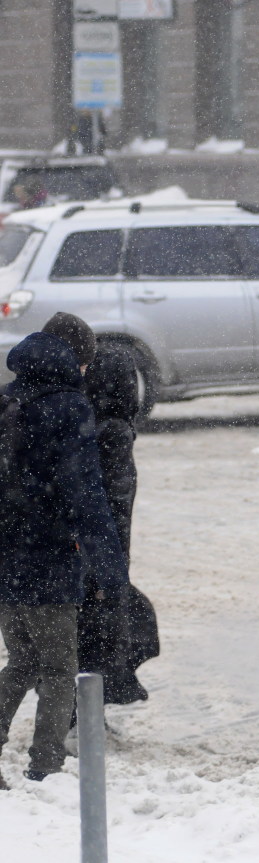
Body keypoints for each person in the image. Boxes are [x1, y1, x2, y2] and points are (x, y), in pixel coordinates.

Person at [0, 313, 128, 789]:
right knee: (59, 668)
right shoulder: (68, 407)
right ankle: (47, 765)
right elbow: (86, 497)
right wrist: (110, 571)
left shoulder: (9, 396)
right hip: (48, 558)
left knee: (22, 660)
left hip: (8, 557)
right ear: (79, 359)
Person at [78, 345, 152, 706]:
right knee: (96, 638)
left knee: (90, 638)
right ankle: (81, 720)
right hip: (98, 562)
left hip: (89, 559)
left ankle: (86, 714)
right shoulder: (112, 433)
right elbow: (113, 509)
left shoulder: (86, 422)